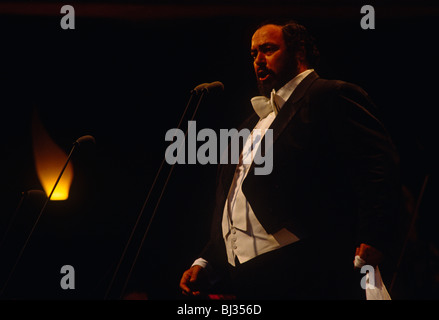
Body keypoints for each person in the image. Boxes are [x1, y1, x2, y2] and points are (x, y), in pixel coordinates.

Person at [179, 21, 400, 299]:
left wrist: (375, 235)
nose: (258, 60)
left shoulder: (330, 94)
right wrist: (208, 260)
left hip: (309, 263)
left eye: (268, 49)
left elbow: (377, 165)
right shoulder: (250, 123)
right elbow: (232, 198)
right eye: (253, 53)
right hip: (247, 274)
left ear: (299, 53)